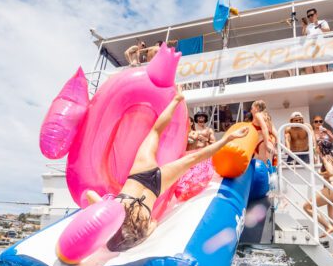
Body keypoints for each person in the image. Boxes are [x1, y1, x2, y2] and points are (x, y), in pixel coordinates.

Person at [86, 88, 249, 251]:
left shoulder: (141, 231)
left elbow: (154, 224)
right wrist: (104, 205)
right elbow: (89, 194)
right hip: (138, 175)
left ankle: (228, 138)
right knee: (155, 132)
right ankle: (176, 100)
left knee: (193, 159)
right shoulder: (114, 214)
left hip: (157, 185)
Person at [303, 139, 333, 260]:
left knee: (307, 206)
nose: (315, 148)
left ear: (320, 147)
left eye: (316, 146)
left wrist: (319, 172)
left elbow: (330, 171)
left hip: (331, 187)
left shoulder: (326, 158)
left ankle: (327, 227)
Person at [301, 8, 330, 74]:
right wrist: (304, 27)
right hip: (310, 48)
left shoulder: (322, 22)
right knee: (310, 66)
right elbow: (303, 38)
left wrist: (318, 26)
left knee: (322, 66)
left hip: (321, 47)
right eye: (308, 16)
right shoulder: (308, 26)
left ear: (316, 14)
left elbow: (328, 32)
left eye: (312, 15)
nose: (310, 17)